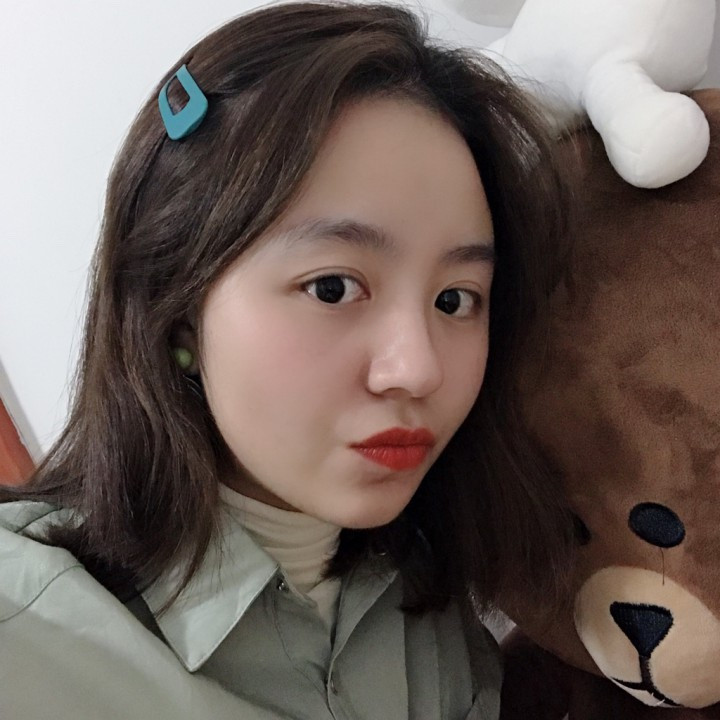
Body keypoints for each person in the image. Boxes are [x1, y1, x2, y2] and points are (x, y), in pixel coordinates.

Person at [0, 2, 573, 718]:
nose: (418, 369)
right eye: (333, 287)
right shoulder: (26, 630)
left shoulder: (437, 605)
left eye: (455, 299)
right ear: (176, 314)